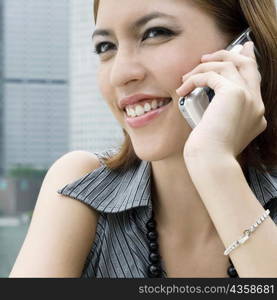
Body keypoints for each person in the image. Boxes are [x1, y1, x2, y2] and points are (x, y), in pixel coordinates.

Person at [9, 0, 277, 278]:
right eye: (106, 47)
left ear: (247, 49)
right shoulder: (80, 186)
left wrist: (214, 164)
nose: (120, 74)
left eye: (155, 33)